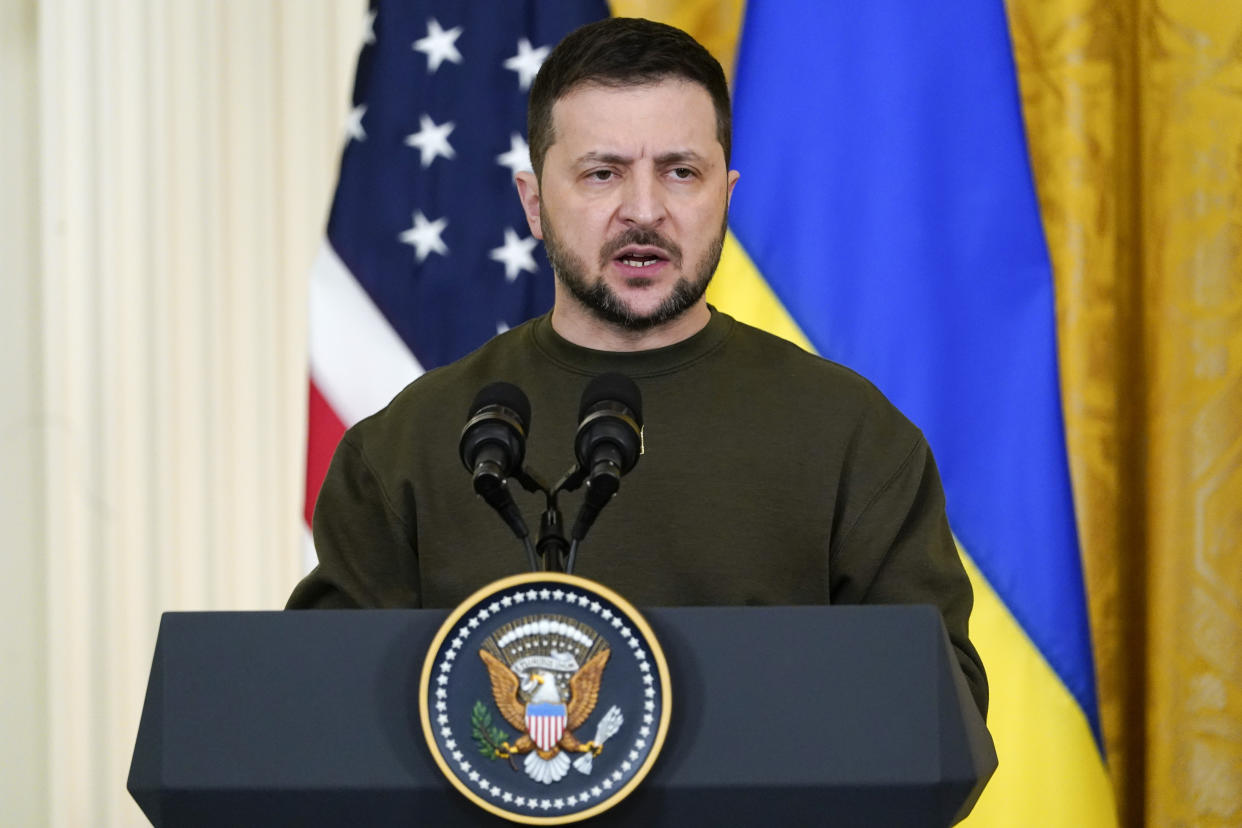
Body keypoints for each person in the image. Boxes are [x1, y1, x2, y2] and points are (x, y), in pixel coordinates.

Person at [288, 17, 987, 718]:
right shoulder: (408, 445)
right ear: (533, 203)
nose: (645, 211)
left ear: (726, 194)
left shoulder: (851, 436)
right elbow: (321, 719)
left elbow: (936, 722)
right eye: (603, 174)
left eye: (681, 172)